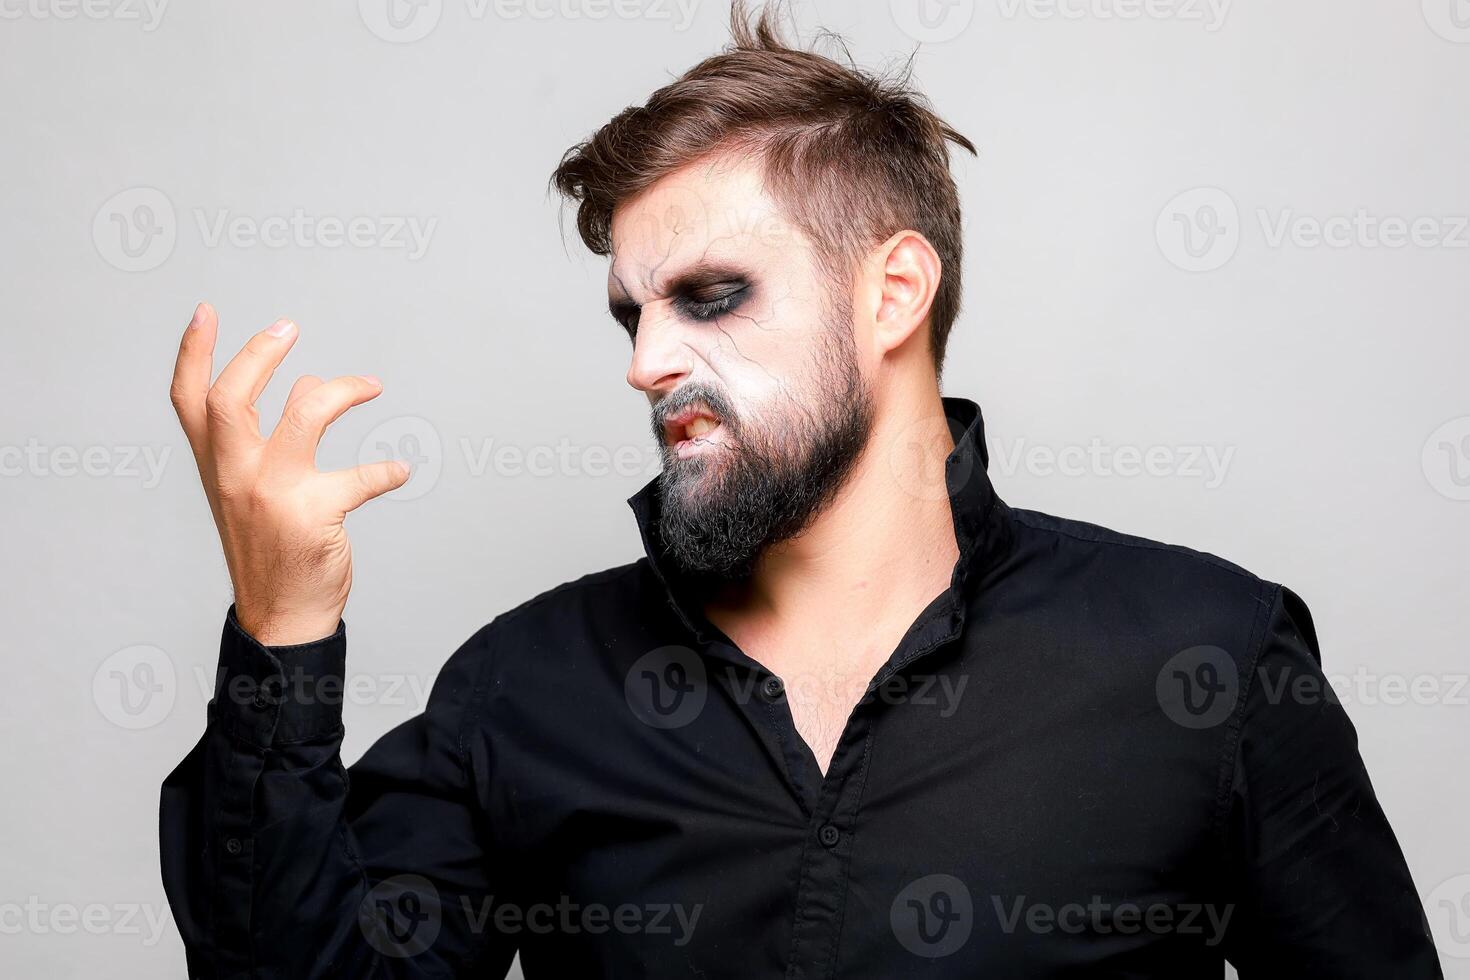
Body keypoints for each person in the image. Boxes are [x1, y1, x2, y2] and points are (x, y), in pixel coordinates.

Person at [158, 3, 1442, 976]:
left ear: (894, 290)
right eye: (631, 313)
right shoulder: (523, 685)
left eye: (712, 295)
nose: (649, 359)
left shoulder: (1203, 653)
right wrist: (282, 633)